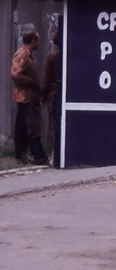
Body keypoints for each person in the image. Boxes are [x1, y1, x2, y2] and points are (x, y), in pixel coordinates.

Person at [11, 30, 47, 165]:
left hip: (30, 96)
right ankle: (37, 155)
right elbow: (15, 74)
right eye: (37, 40)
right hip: (25, 96)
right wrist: (31, 82)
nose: (38, 43)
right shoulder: (22, 54)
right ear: (32, 40)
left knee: (25, 126)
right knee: (31, 126)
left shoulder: (28, 55)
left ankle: (23, 154)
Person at [41, 28, 62, 167]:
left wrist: (43, 97)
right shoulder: (69, 56)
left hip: (54, 95)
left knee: (54, 128)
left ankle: (55, 156)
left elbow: (45, 80)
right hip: (62, 94)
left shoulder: (52, 57)